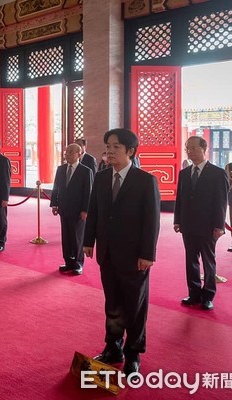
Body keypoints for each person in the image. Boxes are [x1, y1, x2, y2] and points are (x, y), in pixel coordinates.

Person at [83, 128, 160, 378]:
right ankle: (113, 347)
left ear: (130, 151)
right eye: (107, 146)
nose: (109, 151)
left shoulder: (145, 180)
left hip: (135, 256)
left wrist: (147, 254)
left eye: (115, 146)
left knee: (135, 305)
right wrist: (88, 240)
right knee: (113, 302)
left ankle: (134, 352)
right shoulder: (102, 177)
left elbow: (152, 222)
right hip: (107, 252)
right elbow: (94, 211)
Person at [174, 136, 229, 311]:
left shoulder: (217, 173)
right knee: (190, 260)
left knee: (208, 261)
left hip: (208, 226)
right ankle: (194, 293)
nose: (190, 151)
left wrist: (219, 225)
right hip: (188, 226)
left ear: (204, 149)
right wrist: (177, 220)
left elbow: (221, 202)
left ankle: (208, 295)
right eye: (187, 148)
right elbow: (180, 200)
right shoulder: (184, 173)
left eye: (193, 148)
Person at [50, 143, 93, 275]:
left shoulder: (86, 171)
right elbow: (56, 187)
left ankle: (78, 263)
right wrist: (54, 204)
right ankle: (68, 262)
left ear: (78, 154)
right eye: (66, 152)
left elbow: (88, 193)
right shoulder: (61, 169)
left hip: (78, 211)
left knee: (77, 238)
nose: (67, 155)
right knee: (66, 237)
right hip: (64, 208)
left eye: (70, 152)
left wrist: (85, 210)